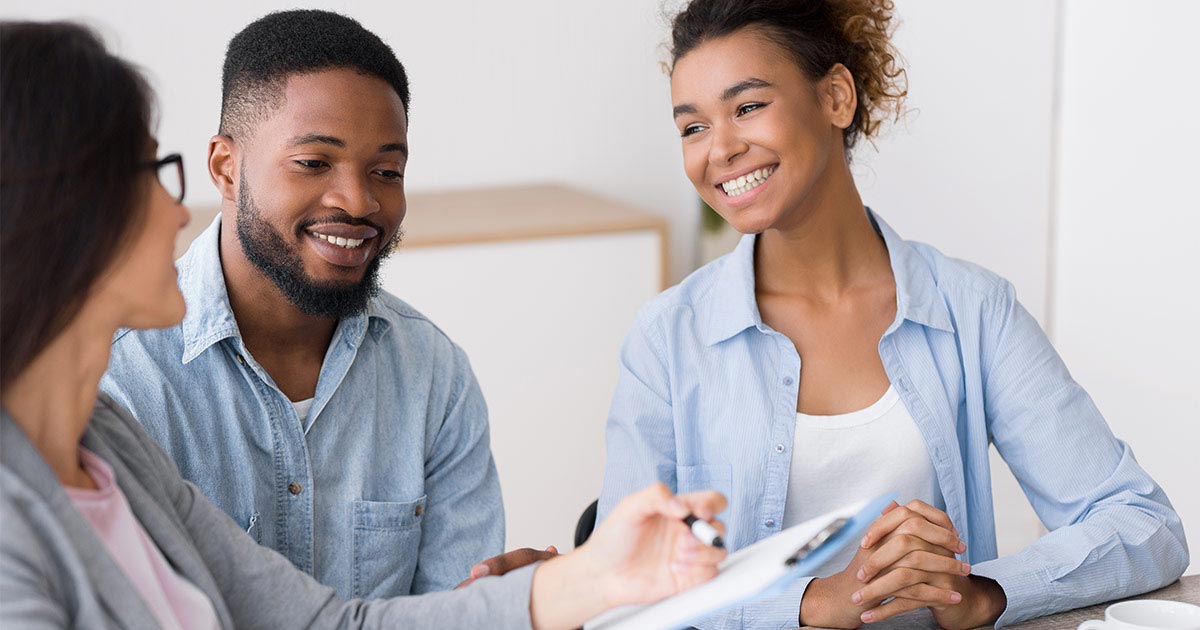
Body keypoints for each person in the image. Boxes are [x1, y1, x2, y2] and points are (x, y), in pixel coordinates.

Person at [0, 20, 728, 629]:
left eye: (387, 170)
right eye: (149, 175)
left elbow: (325, 623)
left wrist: (593, 580)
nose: (172, 208)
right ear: (50, 214)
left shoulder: (107, 446)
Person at [597, 1, 1189, 628]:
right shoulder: (667, 340)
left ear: (836, 97)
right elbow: (620, 590)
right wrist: (816, 603)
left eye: (747, 107)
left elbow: (1143, 523)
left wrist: (983, 591)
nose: (720, 149)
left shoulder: (972, 311)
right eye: (692, 128)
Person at [96, 9, 539, 599]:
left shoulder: (434, 373)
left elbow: (455, 610)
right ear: (226, 169)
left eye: (386, 170)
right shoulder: (118, 374)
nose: (358, 201)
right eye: (313, 163)